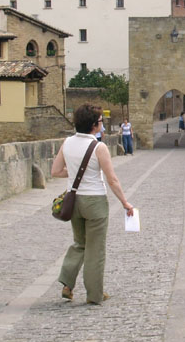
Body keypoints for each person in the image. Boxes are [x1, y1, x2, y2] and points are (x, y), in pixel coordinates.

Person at [51, 104, 133, 305]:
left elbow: (55, 171)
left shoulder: (67, 142)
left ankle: (67, 285)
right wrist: (124, 202)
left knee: (79, 243)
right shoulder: (99, 147)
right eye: (101, 122)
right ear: (94, 125)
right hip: (94, 201)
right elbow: (112, 179)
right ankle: (94, 294)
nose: (102, 126)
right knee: (95, 249)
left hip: (74, 200)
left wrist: (75, 172)